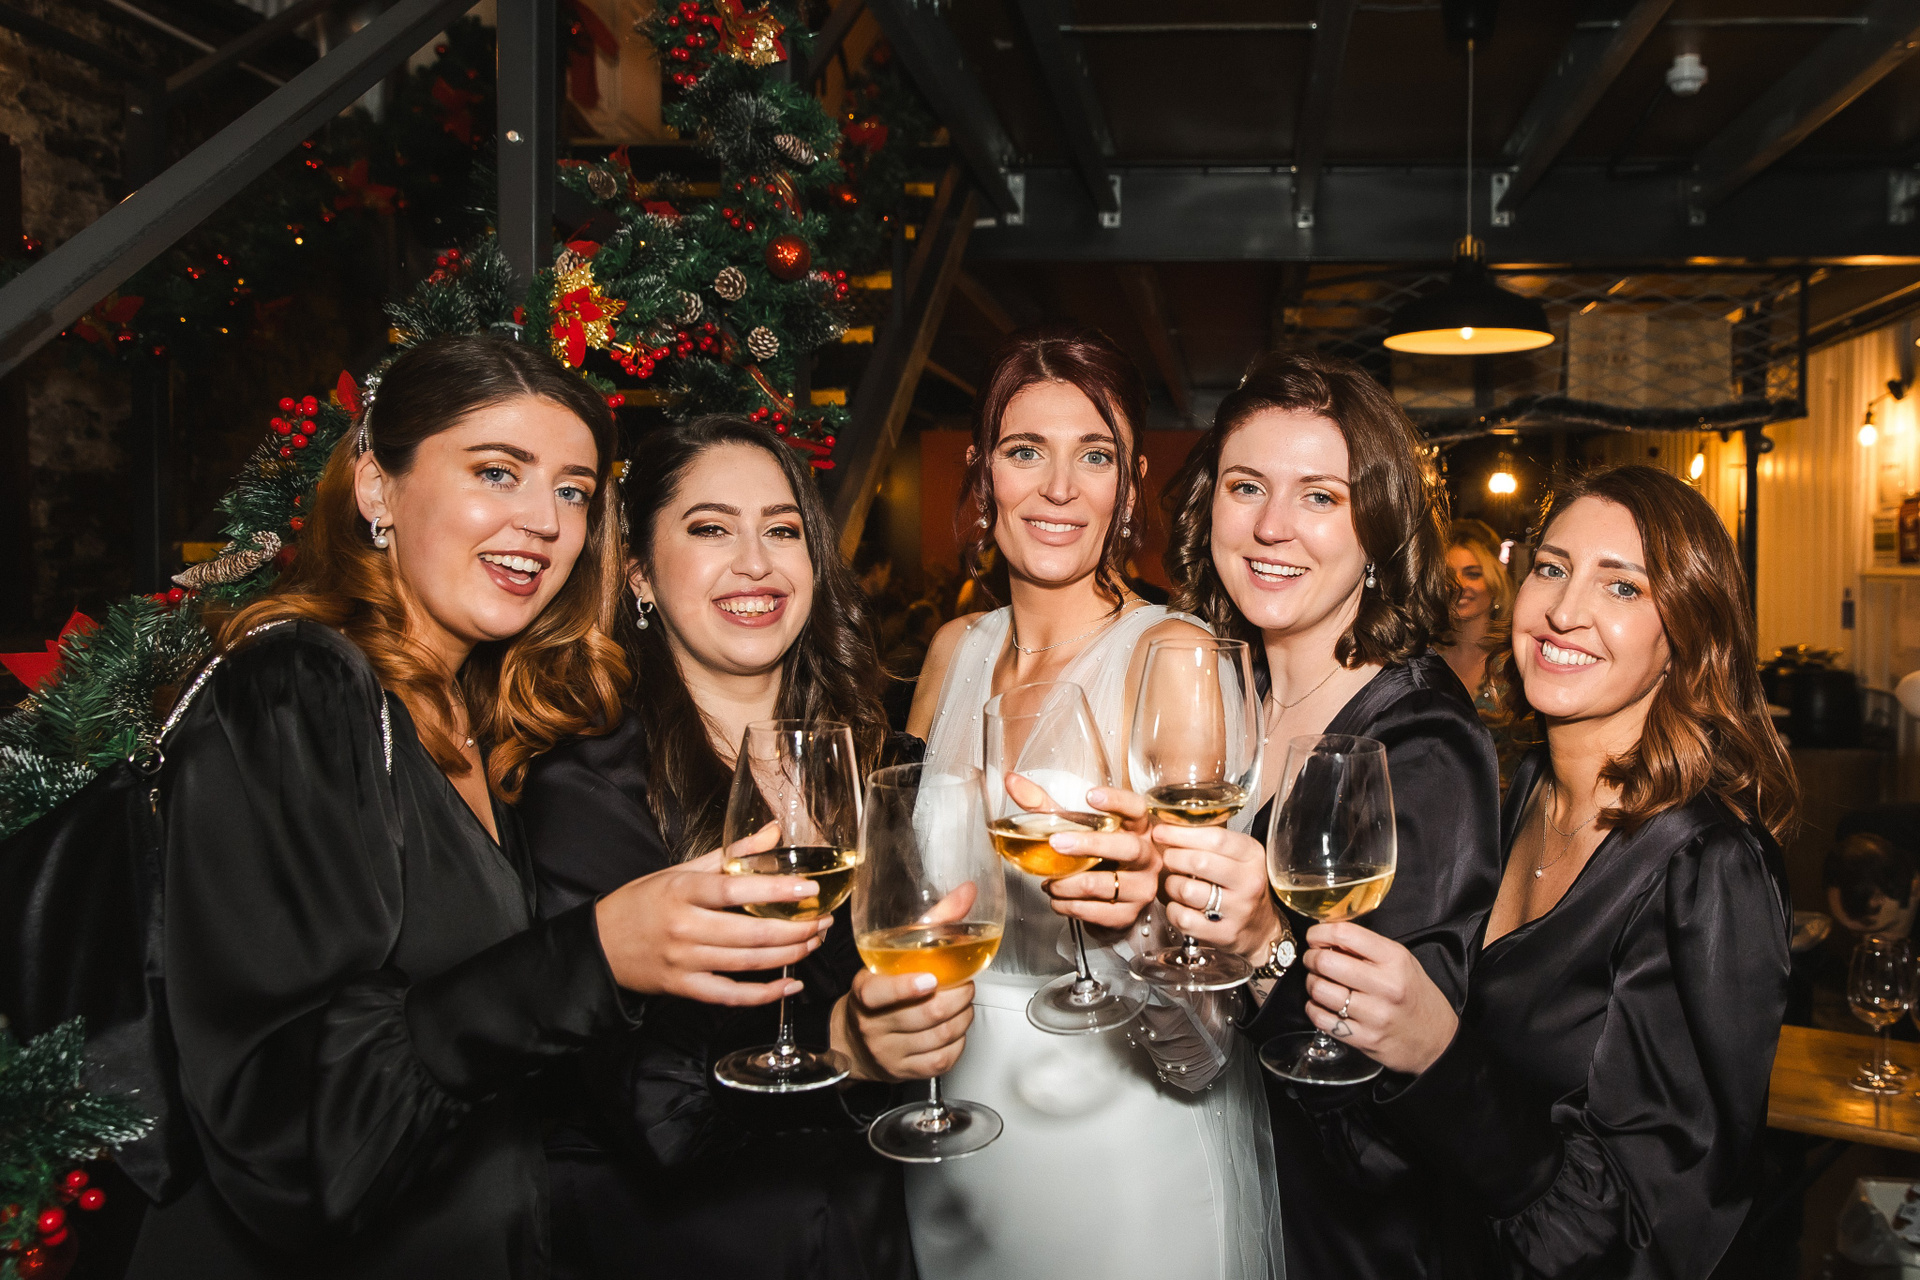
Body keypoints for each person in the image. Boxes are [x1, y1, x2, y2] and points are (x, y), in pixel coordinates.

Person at [130, 337, 837, 1279]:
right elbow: (286, 1123)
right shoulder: (297, 693)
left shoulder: (489, 718)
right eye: (497, 472)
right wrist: (596, 954)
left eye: (573, 491)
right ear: (377, 487)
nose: (542, 521)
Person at [1301, 464, 1795, 1278]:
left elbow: (1653, 1235)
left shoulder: (1708, 868)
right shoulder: (1518, 793)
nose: (1565, 611)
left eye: (1623, 587)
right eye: (1552, 568)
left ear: (1687, 635)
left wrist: (1439, 1055)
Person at [519, 418, 959, 1280]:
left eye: (782, 530)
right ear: (640, 573)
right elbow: (653, 1106)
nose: (755, 563)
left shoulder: (876, 764)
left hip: (864, 1233)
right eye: (711, 529)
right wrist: (844, 1046)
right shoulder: (589, 788)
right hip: (691, 1248)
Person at [904, 323, 1281, 1280]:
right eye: (1026, 451)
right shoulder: (952, 653)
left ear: (1130, 484)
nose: (1060, 489)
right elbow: (907, 895)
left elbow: (1208, 1013)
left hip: (1118, 1143)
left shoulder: (1172, 655)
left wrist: (1145, 919)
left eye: (1096, 456)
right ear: (983, 471)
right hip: (953, 1120)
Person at [1151, 348, 1503, 1279]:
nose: (1272, 526)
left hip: (1344, 1238)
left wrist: (1269, 950)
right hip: (1216, 1188)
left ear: (1378, 527)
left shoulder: (1422, 740)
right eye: (1246, 486)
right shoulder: (1229, 698)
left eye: (1320, 496)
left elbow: (1396, 1111)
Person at [1441, 518, 1524, 784]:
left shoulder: (1516, 663)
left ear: (1494, 582)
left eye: (1472, 574)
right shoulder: (1421, 660)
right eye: (1448, 575)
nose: (1458, 584)